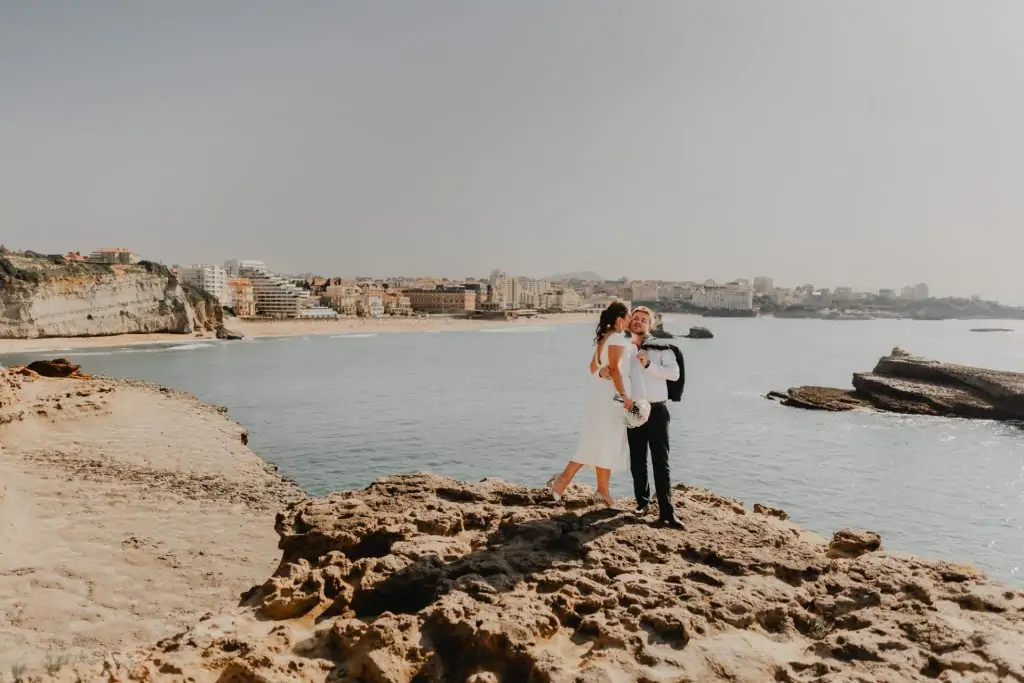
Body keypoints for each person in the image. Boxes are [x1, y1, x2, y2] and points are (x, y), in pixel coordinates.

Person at [546, 302, 633, 508]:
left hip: (601, 396)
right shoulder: (618, 338)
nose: (630, 320)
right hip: (612, 398)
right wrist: (625, 396)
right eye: (628, 316)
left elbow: (593, 369)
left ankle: (602, 491)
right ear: (619, 319)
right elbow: (616, 370)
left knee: (602, 442)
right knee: (599, 441)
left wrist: (603, 372)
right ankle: (562, 481)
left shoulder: (605, 338)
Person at [624, 306, 684, 529]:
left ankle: (667, 512)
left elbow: (674, 374)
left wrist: (648, 364)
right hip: (633, 410)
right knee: (637, 459)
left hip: (657, 409)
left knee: (661, 461)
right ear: (630, 323)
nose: (638, 322)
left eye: (643, 320)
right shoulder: (625, 349)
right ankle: (642, 503)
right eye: (635, 318)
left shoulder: (661, 348)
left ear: (651, 325)